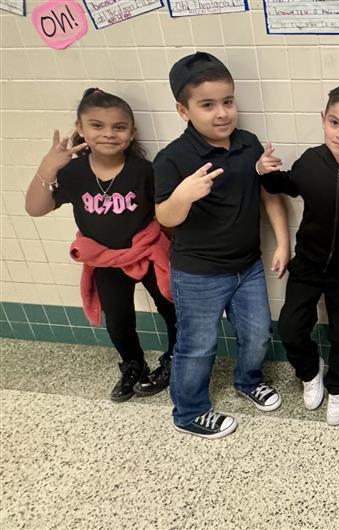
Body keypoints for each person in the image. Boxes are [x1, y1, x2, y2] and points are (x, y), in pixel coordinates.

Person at [153, 52, 290, 439]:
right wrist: (185, 193)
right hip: (197, 273)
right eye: (207, 105)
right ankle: (189, 412)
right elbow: (165, 216)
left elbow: (267, 196)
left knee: (258, 332)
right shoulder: (173, 159)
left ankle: (247, 381)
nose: (222, 113)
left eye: (227, 101)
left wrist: (282, 242)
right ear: (183, 110)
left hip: (247, 266)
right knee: (197, 344)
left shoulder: (247, 145)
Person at [24, 88, 177, 402]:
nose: (109, 134)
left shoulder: (144, 171)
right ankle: (133, 363)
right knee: (118, 319)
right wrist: (46, 168)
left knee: (172, 308)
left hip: (146, 252)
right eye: (97, 125)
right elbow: (35, 208)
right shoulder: (73, 173)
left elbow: (165, 214)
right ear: (80, 128)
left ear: (131, 133)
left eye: (119, 127)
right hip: (105, 260)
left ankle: (174, 359)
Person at [256, 84, 339, 426]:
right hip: (309, 263)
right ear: (323, 120)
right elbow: (284, 185)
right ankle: (310, 371)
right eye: (334, 122)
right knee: (290, 326)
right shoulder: (311, 161)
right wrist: (263, 171)